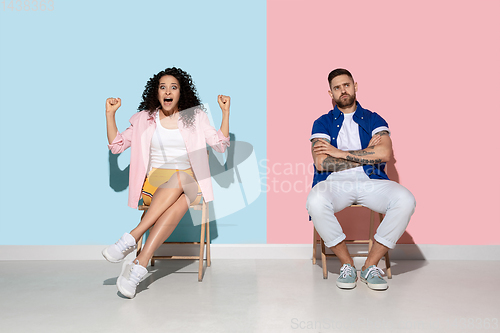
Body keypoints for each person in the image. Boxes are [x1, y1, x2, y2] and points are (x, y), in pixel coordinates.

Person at [102, 67, 230, 298]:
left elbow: (220, 145)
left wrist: (225, 113)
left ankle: (132, 237)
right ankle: (139, 266)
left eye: (174, 87)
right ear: (156, 92)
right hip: (156, 183)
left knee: (183, 176)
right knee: (180, 200)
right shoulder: (144, 119)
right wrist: (110, 115)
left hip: (189, 180)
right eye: (163, 87)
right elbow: (117, 146)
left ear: (182, 93)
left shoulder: (196, 117)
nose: (168, 91)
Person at [306, 68, 415, 291]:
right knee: (315, 201)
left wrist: (339, 152)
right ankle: (346, 264)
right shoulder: (322, 122)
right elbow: (321, 163)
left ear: (356, 86)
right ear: (330, 94)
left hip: (372, 181)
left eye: (346, 85)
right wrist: (365, 155)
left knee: (406, 200)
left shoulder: (374, 119)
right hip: (335, 183)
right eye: (337, 88)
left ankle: (370, 265)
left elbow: (384, 154)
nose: (342, 90)